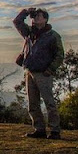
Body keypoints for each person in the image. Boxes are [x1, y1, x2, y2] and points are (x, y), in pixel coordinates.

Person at [13, 7, 64, 139]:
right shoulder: (29, 33)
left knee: (49, 103)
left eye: (39, 16)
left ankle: (54, 131)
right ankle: (39, 129)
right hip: (30, 71)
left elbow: (59, 55)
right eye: (35, 16)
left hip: (43, 73)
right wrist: (26, 12)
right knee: (33, 103)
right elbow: (17, 22)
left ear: (45, 19)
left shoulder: (53, 36)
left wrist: (50, 69)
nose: (36, 18)